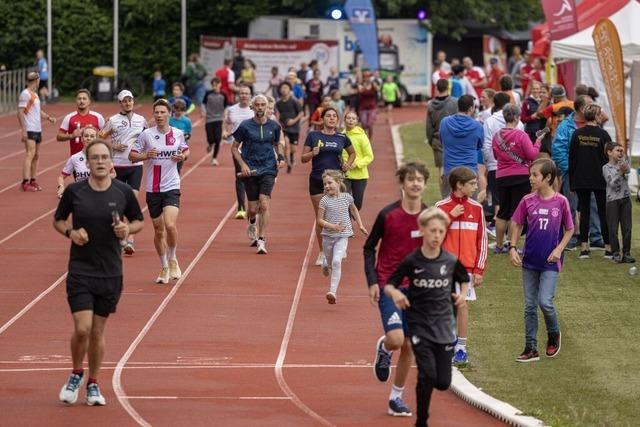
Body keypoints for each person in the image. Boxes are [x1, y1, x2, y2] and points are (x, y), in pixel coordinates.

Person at [54, 139, 144, 406]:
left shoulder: (123, 192)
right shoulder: (75, 192)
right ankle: (76, 373)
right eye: (95, 158)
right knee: (82, 328)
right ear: (87, 160)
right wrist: (71, 232)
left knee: (96, 332)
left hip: (110, 272)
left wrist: (127, 231)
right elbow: (58, 221)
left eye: (105, 157)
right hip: (81, 270)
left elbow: (138, 221)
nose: (101, 161)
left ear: (111, 160)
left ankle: (93, 383)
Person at [383, 207, 469, 427]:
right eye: (432, 231)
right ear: (422, 231)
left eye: (441, 231)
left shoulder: (450, 260)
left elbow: (463, 278)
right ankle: (422, 421)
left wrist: (462, 295)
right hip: (419, 325)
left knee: (442, 382)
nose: (437, 236)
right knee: (427, 375)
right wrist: (396, 295)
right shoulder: (412, 261)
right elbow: (390, 285)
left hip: (444, 325)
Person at [364, 161, 429, 418]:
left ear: (424, 184)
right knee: (396, 340)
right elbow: (369, 248)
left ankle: (395, 399)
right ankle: (384, 346)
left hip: (417, 289)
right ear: (402, 183)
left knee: (409, 347)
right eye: (410, 179)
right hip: (389, 285)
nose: (415, 183)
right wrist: (372, 282)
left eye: (419, 179)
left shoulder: (428, 216)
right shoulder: (387, 215)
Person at [509, 158, 573, 362]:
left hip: (550, 264)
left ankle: (554, 334)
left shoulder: (561, 202)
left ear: (547, 178)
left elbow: (570, 229)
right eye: (530, 174)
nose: (530, 178)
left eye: (535, 175)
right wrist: (512, 247)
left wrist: (559, 249)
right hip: (529, 261)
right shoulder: (527, 200)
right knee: (529, 306)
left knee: (545, 302)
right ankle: (531, 348)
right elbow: (516, 223)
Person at [129, 99, 189, 284]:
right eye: (157, 113)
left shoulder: (178, 134)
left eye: (163, 112)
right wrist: (146, 155)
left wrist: (182, 156)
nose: (159, 116)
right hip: (153, 188)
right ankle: (163, 266)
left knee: (170, 225)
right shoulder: (146, 135)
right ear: (153, 115)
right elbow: (132, 156)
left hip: (171, 186)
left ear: (169, 114)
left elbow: (186, 151)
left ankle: (172, 259)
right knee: (158, 230)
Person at [435, 167, 487, 365]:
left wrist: (478, 270)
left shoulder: (477, 208)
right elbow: (433, 234)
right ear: (459, 185)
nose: (475, 187)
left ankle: (461, 348)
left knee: (462, 305)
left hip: (466, 269)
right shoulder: (441, 206)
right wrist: (450, 216)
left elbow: (481, 241)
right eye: (472, 184)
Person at [232, 94, 286, 255]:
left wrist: (281, 157)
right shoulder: (245, 126)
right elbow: (234, 147)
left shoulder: (274, 126)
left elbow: (278, 144)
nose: (261, 107)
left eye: (263, 105)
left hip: (269, 168)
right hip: (251, 170)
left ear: (267, 107)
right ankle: (252, 222)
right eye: (258, 105)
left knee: (264, 203)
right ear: (252, 107)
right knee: (253, 208)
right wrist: (243, 165)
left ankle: (261, 239)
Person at [302, 107, 355, 266]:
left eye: (334, 116)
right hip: (318, 180)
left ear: (337, 120)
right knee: (321, 219)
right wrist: (313, 153)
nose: (331, 118)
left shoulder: (342, 137)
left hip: (336, 182)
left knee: (339, 214)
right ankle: (322, 252)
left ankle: (339, 246)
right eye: (328, 116)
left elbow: (352, 153)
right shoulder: (313, 136)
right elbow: (303, 158)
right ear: (323, 119)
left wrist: (348, 164)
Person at [99, 90, 148, 255]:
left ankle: (130, 240)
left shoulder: (141, 120)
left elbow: (147, 137)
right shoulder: (112, 120)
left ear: (133, 101)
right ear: (120, 103)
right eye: (124, 101)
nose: (128, 103)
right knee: (117, 203)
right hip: (118, 166)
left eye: (130, 100)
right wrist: (113, 146)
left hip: (135, 165)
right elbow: (99, 137)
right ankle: (118, 235)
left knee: (132, 201)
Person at [492, 104, 542, 252]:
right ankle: (512, 244)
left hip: (501, 176)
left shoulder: (497, 136)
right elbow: (532, 155)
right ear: (516, 117)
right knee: (516, 212)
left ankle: (499, 245)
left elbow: (495, 156)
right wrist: (538, 141)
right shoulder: (521, 135)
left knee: (502, 212)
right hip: (520, 176)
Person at [317, 169, 368, 303]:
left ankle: (332, 292)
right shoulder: (324, 201)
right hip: (328, 237)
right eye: (325, 184)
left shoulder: (347, 197)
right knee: (329, 260)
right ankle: (325, 263)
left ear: (339, 182)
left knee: (336, 261)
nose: (327, 186)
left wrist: (360, 225)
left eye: (330, 183)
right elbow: (319, 221)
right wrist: (332, 226)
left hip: (342, 236)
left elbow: (354, 209)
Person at [569, 103, 611, 259]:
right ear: (597, 116)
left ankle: (584, 248)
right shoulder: (603, 135)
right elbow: (609, 159)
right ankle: (608, 247)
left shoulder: (577, 134)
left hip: (581, 178)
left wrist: (572, 181)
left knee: (584, 212)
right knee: (603, 212)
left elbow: (572, 159)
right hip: (600, 178)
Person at [17, 71, 56, 192]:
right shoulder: (25, 94)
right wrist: (24, 130)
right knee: (30, 154)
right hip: (29, 128)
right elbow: (20, 113)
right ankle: (25, 182)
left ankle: (33, 180)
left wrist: (48, 117)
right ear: (37, 80)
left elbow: (38, 111)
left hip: (37, 128)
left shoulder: (35, 95)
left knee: (36, 155)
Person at [439, 95, 484, 197]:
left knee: (447, 208)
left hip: (450, 172)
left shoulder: (444, 122)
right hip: (470, 173)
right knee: (471, 208)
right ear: (470, 108)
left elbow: (442, 141)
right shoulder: (478, 126)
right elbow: (479, 146)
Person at [224, 85, 254, 219]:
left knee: (253, 177)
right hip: (237, 147)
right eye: (242, 93)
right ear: (238, 95)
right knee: (240, 176)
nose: (244, 95)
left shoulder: (254, 109)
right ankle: (241, 208)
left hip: (254, 148)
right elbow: (226, 122)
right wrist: (225, 131)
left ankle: (254, 203)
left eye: (246, 93)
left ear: (250, 95)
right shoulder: (232, 109)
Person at [603, 142, 635, 263]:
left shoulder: (623, 164)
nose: (620, 152)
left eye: (621, 150)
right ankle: (615, 253)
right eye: (618, 150)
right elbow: (612, 183)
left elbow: (627, 171)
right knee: (613, 229)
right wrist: (620, 172)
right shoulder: (605, 168)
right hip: (612, 201)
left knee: (627, 228)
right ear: (609, 152)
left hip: (626, 199)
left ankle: (626, 253)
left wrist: (623, 166)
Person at [58, 89, 105, 156]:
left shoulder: (98, 117)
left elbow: (105, 135)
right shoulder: (69, 117)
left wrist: (96, 136)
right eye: (79, 99)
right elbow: (59, 136)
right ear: (76, 101)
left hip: (94, 156)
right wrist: (71, 135)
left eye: (84, 99)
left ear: (89, 101)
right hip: (76, 156)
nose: (81, 101)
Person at [343, 111, 374, 210]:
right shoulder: (341, 136)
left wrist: (356, 164)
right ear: (344, 120)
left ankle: (350, 218)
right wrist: (343, 164)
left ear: (357, 121)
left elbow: (369, 156)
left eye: (353, 119)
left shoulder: (362, 136)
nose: (351, 120)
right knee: (344, 203)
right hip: (344, 174)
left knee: (357, 205)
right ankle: (348, 225)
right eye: (348, 118)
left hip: (360, 175)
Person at [57, 126, 98, 197]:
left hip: (97, 194)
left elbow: (112, 174)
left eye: (92, 136)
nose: (88, 138)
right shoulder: (75, 158)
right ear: (82, 139)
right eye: (86, 136)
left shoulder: (102, 156)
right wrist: (61, 187)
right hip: (81, 194)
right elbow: (61, 177)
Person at [275, 82, 303, 173]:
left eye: (286, 88)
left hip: (294, 128)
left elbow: (301, 113)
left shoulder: (294, 101)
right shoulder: (278, 103)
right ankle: (289, 163)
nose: (284, 89)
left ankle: (291, 156)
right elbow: (277, 114)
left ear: (289, 90)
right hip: (284, 127)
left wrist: (293, 121)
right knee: (286, 144)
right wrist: (278, 122)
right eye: (282, 88)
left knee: (293, 149)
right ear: (280, 90)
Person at [203, 77, 228, 166]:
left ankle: (214, 158)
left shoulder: (224, 94)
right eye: (213, 85)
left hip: (219, 119)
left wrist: (225, 115)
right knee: (211, 138)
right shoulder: (208, 94)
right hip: (209, 119)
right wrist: (204, 112)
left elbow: (226, 106)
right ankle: (210, 144)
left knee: (217, 139)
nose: (215, 87)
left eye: (216, 85)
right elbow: (203, 103)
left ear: (220, 84)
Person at [169, 99, 192, 174]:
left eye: (181, 110)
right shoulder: (169, 120)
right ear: (174, 109)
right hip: (170, 147)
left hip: (181, 149)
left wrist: (186, 136)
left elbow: (189, 133)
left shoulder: (187, 121)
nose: (178, 112)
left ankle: (175, 183)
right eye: (177, 110)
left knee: (177, 168)